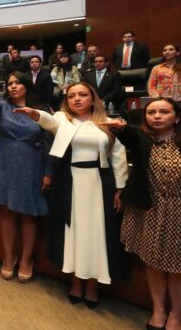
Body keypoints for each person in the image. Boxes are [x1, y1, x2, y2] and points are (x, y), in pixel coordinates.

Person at [14, 82, 129, 308]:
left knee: (97, 235)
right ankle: (76, 282)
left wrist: (120, 188)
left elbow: (118, 155)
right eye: (72, 96)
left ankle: (93, 285)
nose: (77, 99)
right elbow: (48, 121)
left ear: (93, 98)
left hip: (99, 183)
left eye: (83, 95)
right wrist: (35, 114)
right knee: (74, 233)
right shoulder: (62, 120)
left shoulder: (106, 124)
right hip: (70, 183)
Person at [100, 98, 181, 330]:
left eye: (164, 112)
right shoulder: (143, 140)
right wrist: (113, 123)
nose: (156, 116)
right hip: (150, 210)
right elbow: (125, 132)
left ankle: (176, 314)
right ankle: (159, 310)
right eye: (151, 112)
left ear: (176, 117)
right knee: (152, 262)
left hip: (178, 212)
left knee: (177, 267)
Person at [0, 73, 52, 282]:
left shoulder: (41, 111)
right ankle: (9, 257)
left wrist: (48, 172)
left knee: (28, 214)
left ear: (27, 85)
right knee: (7, 212)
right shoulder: (2, 106)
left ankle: (26, 260)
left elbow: (50, 144)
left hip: (32, 164)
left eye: (17, 83)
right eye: (9, 84)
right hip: (5, 163)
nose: (13, 87)